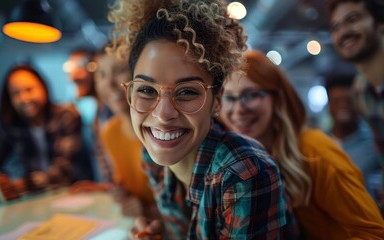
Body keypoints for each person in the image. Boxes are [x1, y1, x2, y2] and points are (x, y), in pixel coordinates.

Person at [108, 0, 288, 238]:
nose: (163, 115)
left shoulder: (244, 174)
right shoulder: (152, 158)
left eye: (186, 92)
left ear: (217, 100)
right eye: (147, 90)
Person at [219, 50, 384, 239]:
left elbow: (377, 235)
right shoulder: (242, 160)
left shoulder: (315, 151)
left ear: (277, 98)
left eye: (251, 94)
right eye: (229, 97)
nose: (238, 109)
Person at [328, 0, 384, 236]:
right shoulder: (361, 90)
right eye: (335, 26)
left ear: (382, 22)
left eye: (353, 19)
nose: (343, 32)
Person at [70, 45, 157, 217]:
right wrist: (105, 189)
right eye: (101, 75)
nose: (108, 83)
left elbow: (194, 203)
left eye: (118, 70)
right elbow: (127, 186)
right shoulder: (109, 132)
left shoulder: (164, 129)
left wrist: (150, 212)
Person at [0, 63, 84, 200]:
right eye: (15, 93)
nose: (24, 98)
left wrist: (20, 185)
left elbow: (64, 170)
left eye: (29, 89)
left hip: (73, 194)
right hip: (35, 200)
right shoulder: (9, 126)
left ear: (43, 87)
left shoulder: (66, 116)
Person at [324, 73, 381, 198]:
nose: (343, 106)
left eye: (348, 100)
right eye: (336, 101)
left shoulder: (375, 141)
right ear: (329, 105)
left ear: (358, 103)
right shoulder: (319, 144)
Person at [65, 48, 109, 182]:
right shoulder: (98, 113)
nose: (72, 77)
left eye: (79, 67)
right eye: (70, 70)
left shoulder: (113, 113)